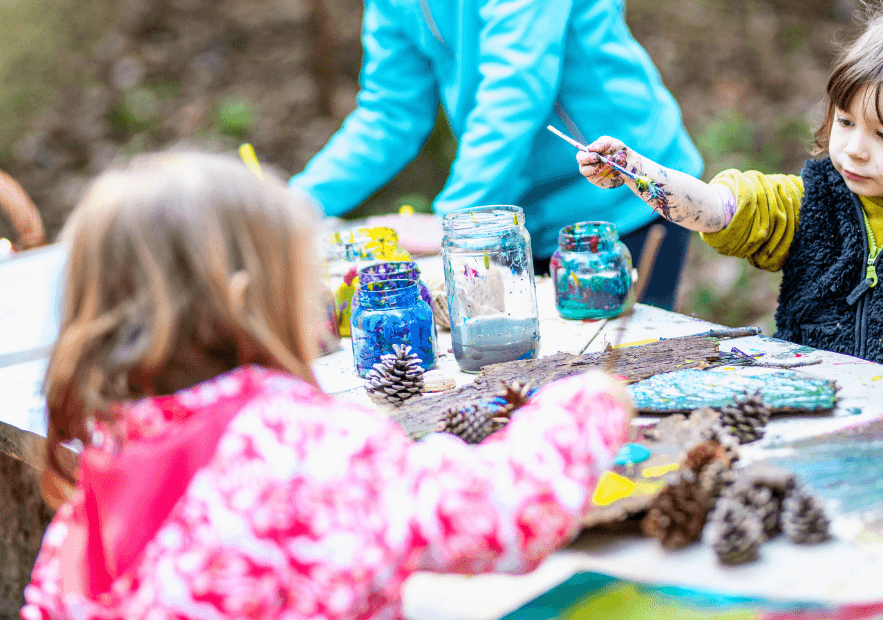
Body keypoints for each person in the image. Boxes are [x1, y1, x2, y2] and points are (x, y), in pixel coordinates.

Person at [22, 152, 633, 620]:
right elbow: (503, 511)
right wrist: (588, 404)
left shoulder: (96, 487)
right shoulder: (297, 448)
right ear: (241, 306)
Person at [574, 0, 883, 402]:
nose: (853, 146)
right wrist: (638, 172)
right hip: (809, 436)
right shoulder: (817, 201)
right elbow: (720, 208)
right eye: (845, 120)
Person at [290, 0, 703, 311]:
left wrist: (456, 218)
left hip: (619, 196)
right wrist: (294, 205)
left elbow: (518, 83)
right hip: (514, 210)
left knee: (620, 379)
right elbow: (390, 110)